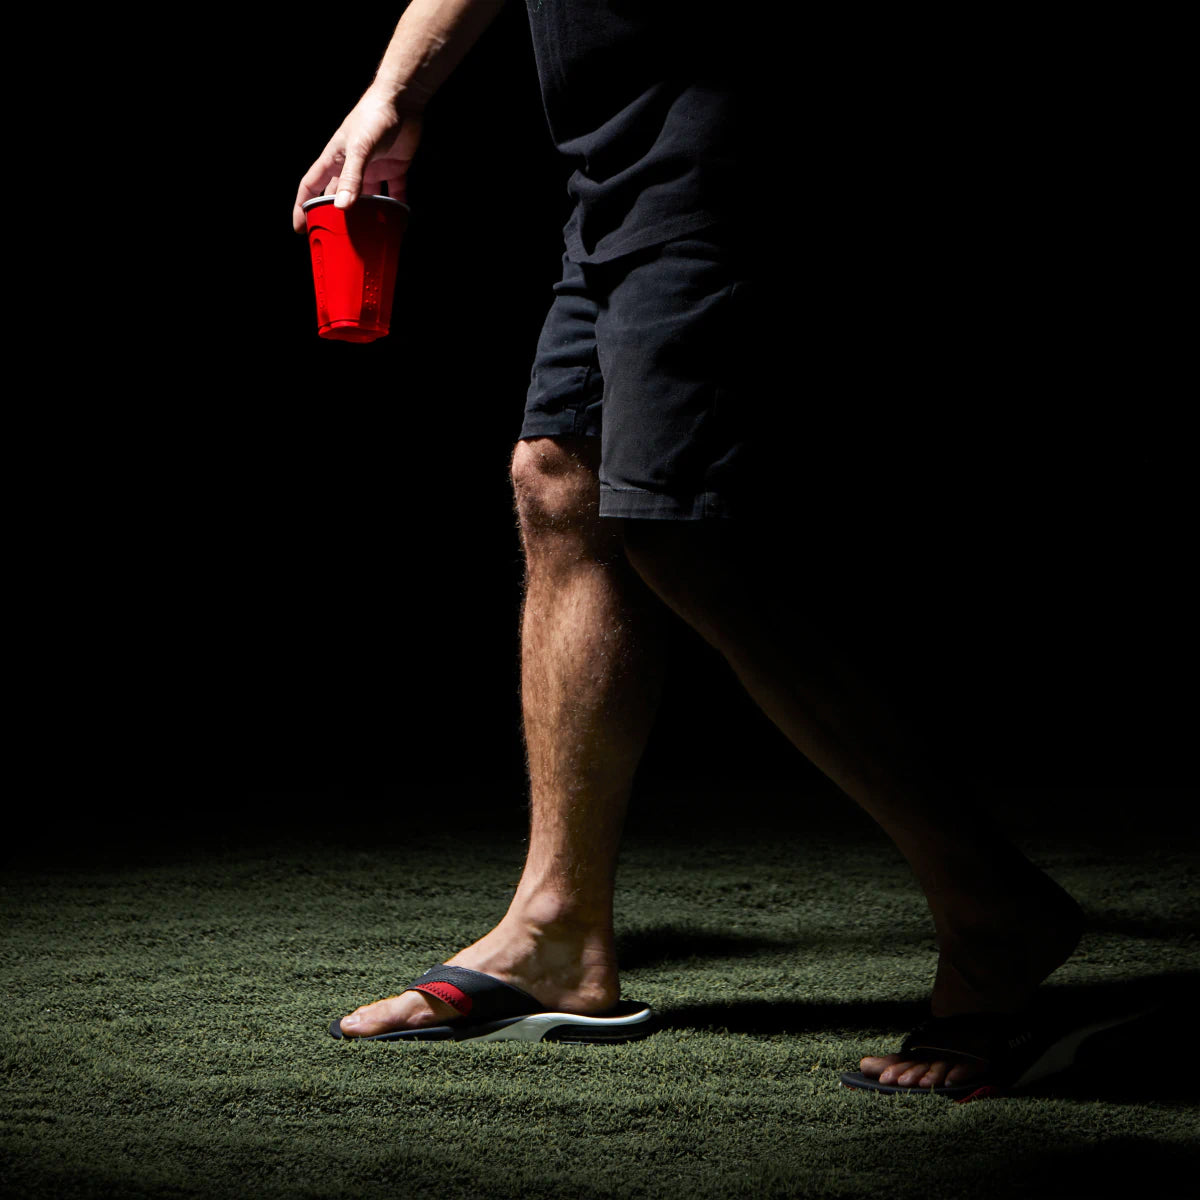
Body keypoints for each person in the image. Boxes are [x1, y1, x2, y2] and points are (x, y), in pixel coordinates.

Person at [293, 0, 1085, 1094]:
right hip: (613, 152)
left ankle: (993, 905)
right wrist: (394, 91)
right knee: (559, 480)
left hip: (722, 132)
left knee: (681, 527)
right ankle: (557, 929)